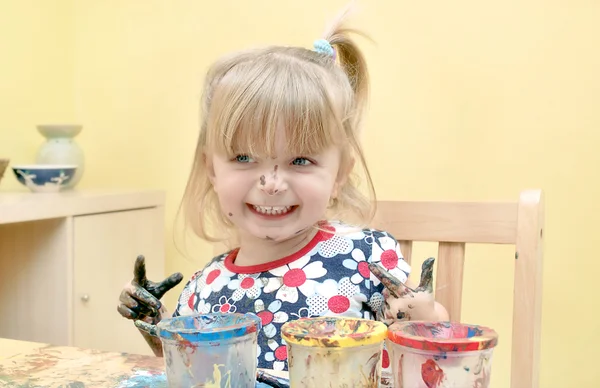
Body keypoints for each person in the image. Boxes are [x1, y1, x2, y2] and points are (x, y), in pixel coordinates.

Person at [117, 7, 413, 380]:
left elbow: (422, 356)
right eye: (244, 157)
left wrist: (425, 318)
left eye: (301, 160)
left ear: (339, 174)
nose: (272, 183)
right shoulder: (204, 289)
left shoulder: (367, 259)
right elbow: (191, 368)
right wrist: (151, 321)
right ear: (212, 169)